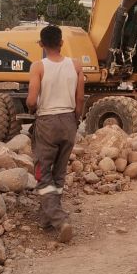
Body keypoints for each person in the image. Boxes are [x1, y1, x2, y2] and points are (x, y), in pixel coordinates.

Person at [27, 25, 84, 243]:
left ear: (41, 45)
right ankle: (47, 218)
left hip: (47, 122)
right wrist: (75, 119)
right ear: (61, 43)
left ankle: (60, 220)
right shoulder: (76, 66)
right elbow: (80, 99)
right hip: (69, 120)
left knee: (43, 174)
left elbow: (32, 101)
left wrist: (31, 107)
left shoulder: (38, 67)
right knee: (58, 174)